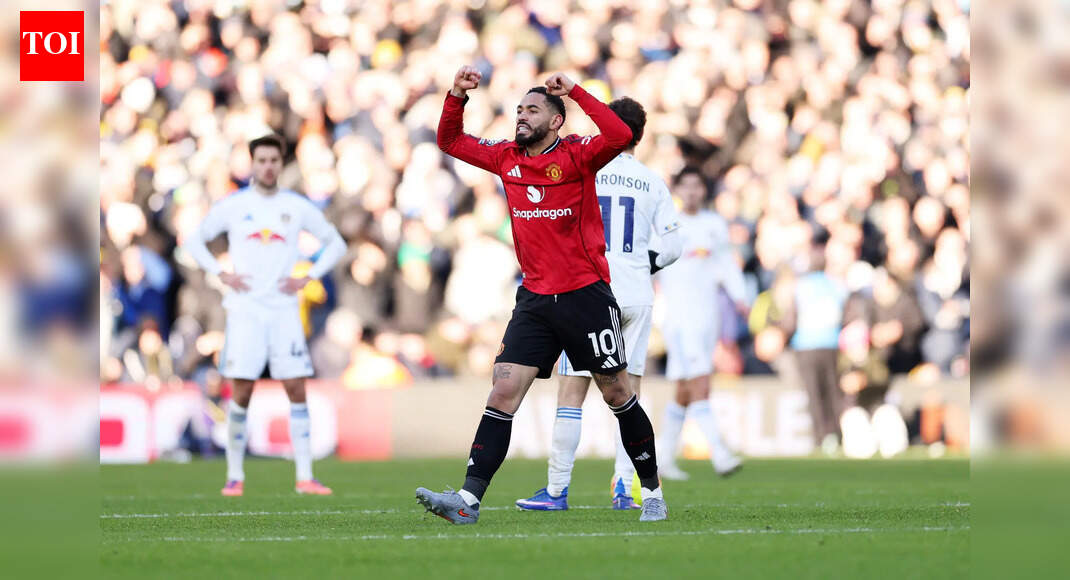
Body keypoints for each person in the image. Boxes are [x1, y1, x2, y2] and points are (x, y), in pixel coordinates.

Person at [415, 66, 667, 524]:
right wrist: (456, 95)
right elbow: (449, 141)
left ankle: (651, 492)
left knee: (617, 393)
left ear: (556, 120)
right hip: (534, 299)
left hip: (585, 296)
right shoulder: (506, 157)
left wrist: (576, 92)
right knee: (503, 391)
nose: (521, 116)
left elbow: (619, 134)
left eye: (532, 110)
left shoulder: (578, 155)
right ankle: (467, 501)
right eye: (518, 110)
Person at [514, 97, 682, 512]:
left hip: (588, 291)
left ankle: (557, 489)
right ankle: (625, 488)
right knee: (629, 395)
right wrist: (640, 266)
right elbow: (674, 246)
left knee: (572, 391)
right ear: (640, 135)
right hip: (636, 294)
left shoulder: (584, 166)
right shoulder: (651, 181)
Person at [184, 134, 346, 497]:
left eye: (274, 160)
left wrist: (309, 276)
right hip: (245, 310)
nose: (268, 167)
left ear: (281, 163)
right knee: (241, 388)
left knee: (296, 387)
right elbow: (194, 240)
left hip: (284, 310)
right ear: (253, 164)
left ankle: (305, 476)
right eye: (262, 160)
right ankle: (234, 475)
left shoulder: (296, 206)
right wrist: (220, 272)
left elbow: (336, 244)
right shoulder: (234, 205)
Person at [655, 168, 746, 480]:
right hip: (681, 320)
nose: (692, 191)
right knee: (700, 381)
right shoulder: (668, 224)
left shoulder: (714, 224)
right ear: (677, 189)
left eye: (697, 185)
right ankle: (720, 454)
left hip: (709, 317)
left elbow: (726, 264)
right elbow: (651, 267)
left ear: (704, 190)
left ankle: (664, 459)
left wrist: (740, 296)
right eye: (686, 185)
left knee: (684, 388)